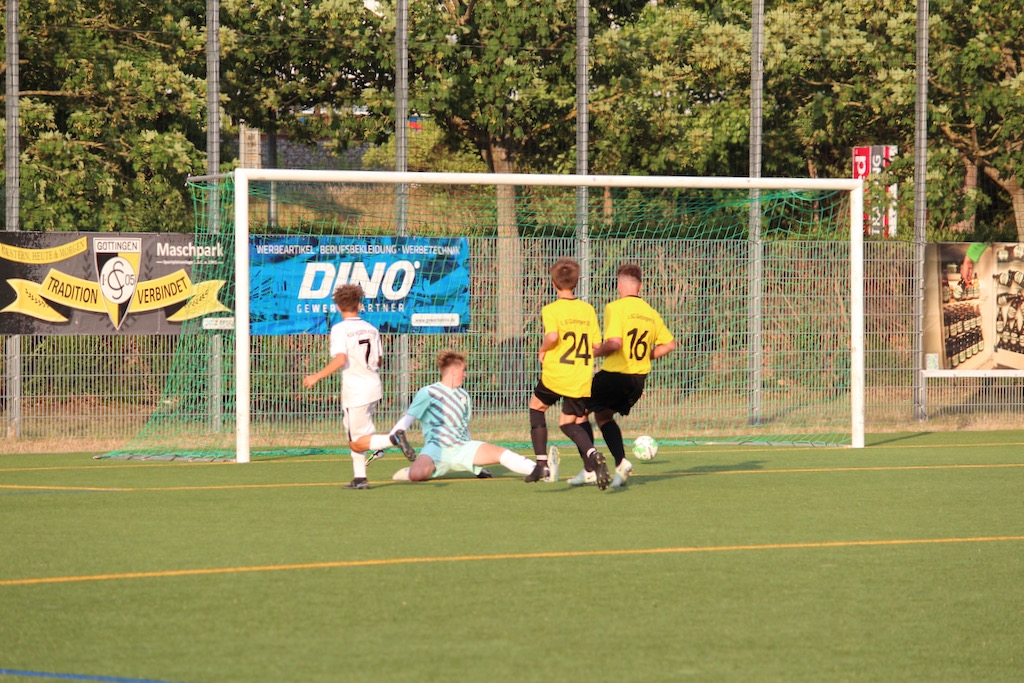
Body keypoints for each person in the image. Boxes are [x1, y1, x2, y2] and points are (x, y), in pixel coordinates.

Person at [577, 263, 676, 488]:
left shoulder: (615, 307)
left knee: (575, 412)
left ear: (619, 285)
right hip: (637, 381)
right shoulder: (651, 313)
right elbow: (670, 344)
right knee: (603, 416)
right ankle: (621, 464)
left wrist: (593, 352)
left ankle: (590, 469)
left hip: (615, 375)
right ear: (640, 287)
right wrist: (646, 356)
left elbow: (615, 343)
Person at [523, 257, 611, 489]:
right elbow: (596, 345)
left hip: (556, 374)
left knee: (537, 407)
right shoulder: (587, 310)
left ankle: (542, 463)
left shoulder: (551, 309)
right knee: (572, 421)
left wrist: (542, 349)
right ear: (576, 282)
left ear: (553, 283)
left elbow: (552, 336)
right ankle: (592, 456)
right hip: (580, 376)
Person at [388, 350, 541, 482]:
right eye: (463, 370)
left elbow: (464, 427)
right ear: (453, 373)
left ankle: (540, 469)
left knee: (501, 453)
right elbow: (408, 418)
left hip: (462, 447)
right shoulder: (428, 392)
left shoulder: (464, 395)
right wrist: (391, 439)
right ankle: (413, 470)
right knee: (416, 475)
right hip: (436, 448)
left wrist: (474, 464)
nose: (465, 375)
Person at [302, 283, 388, 490]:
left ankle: (389, 440)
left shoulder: (340, 329)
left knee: (355, 441)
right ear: (359, 305)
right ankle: (360, 478)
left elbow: (341, 359)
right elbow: (379, 360)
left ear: (338, 307)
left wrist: (316, 376)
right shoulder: (371, 329)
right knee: (357, 433)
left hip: (356, 391)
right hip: (374, 386)